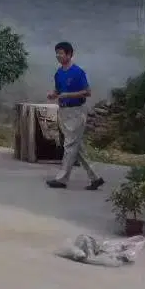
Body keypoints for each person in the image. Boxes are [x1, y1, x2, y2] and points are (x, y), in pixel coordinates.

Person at [46, 40, 104, 190]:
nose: (58, 56)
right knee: (77, 147)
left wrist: (69, 94)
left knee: (70, 145)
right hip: (64, 111)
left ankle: (62, 179)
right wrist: (54, 95)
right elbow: (58, 91)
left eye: (61, 53)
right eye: (57, 53)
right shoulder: (58, 73)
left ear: (70, 54)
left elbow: (87, 92)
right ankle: (95, 177)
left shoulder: (78, 72)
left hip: (77, 111)